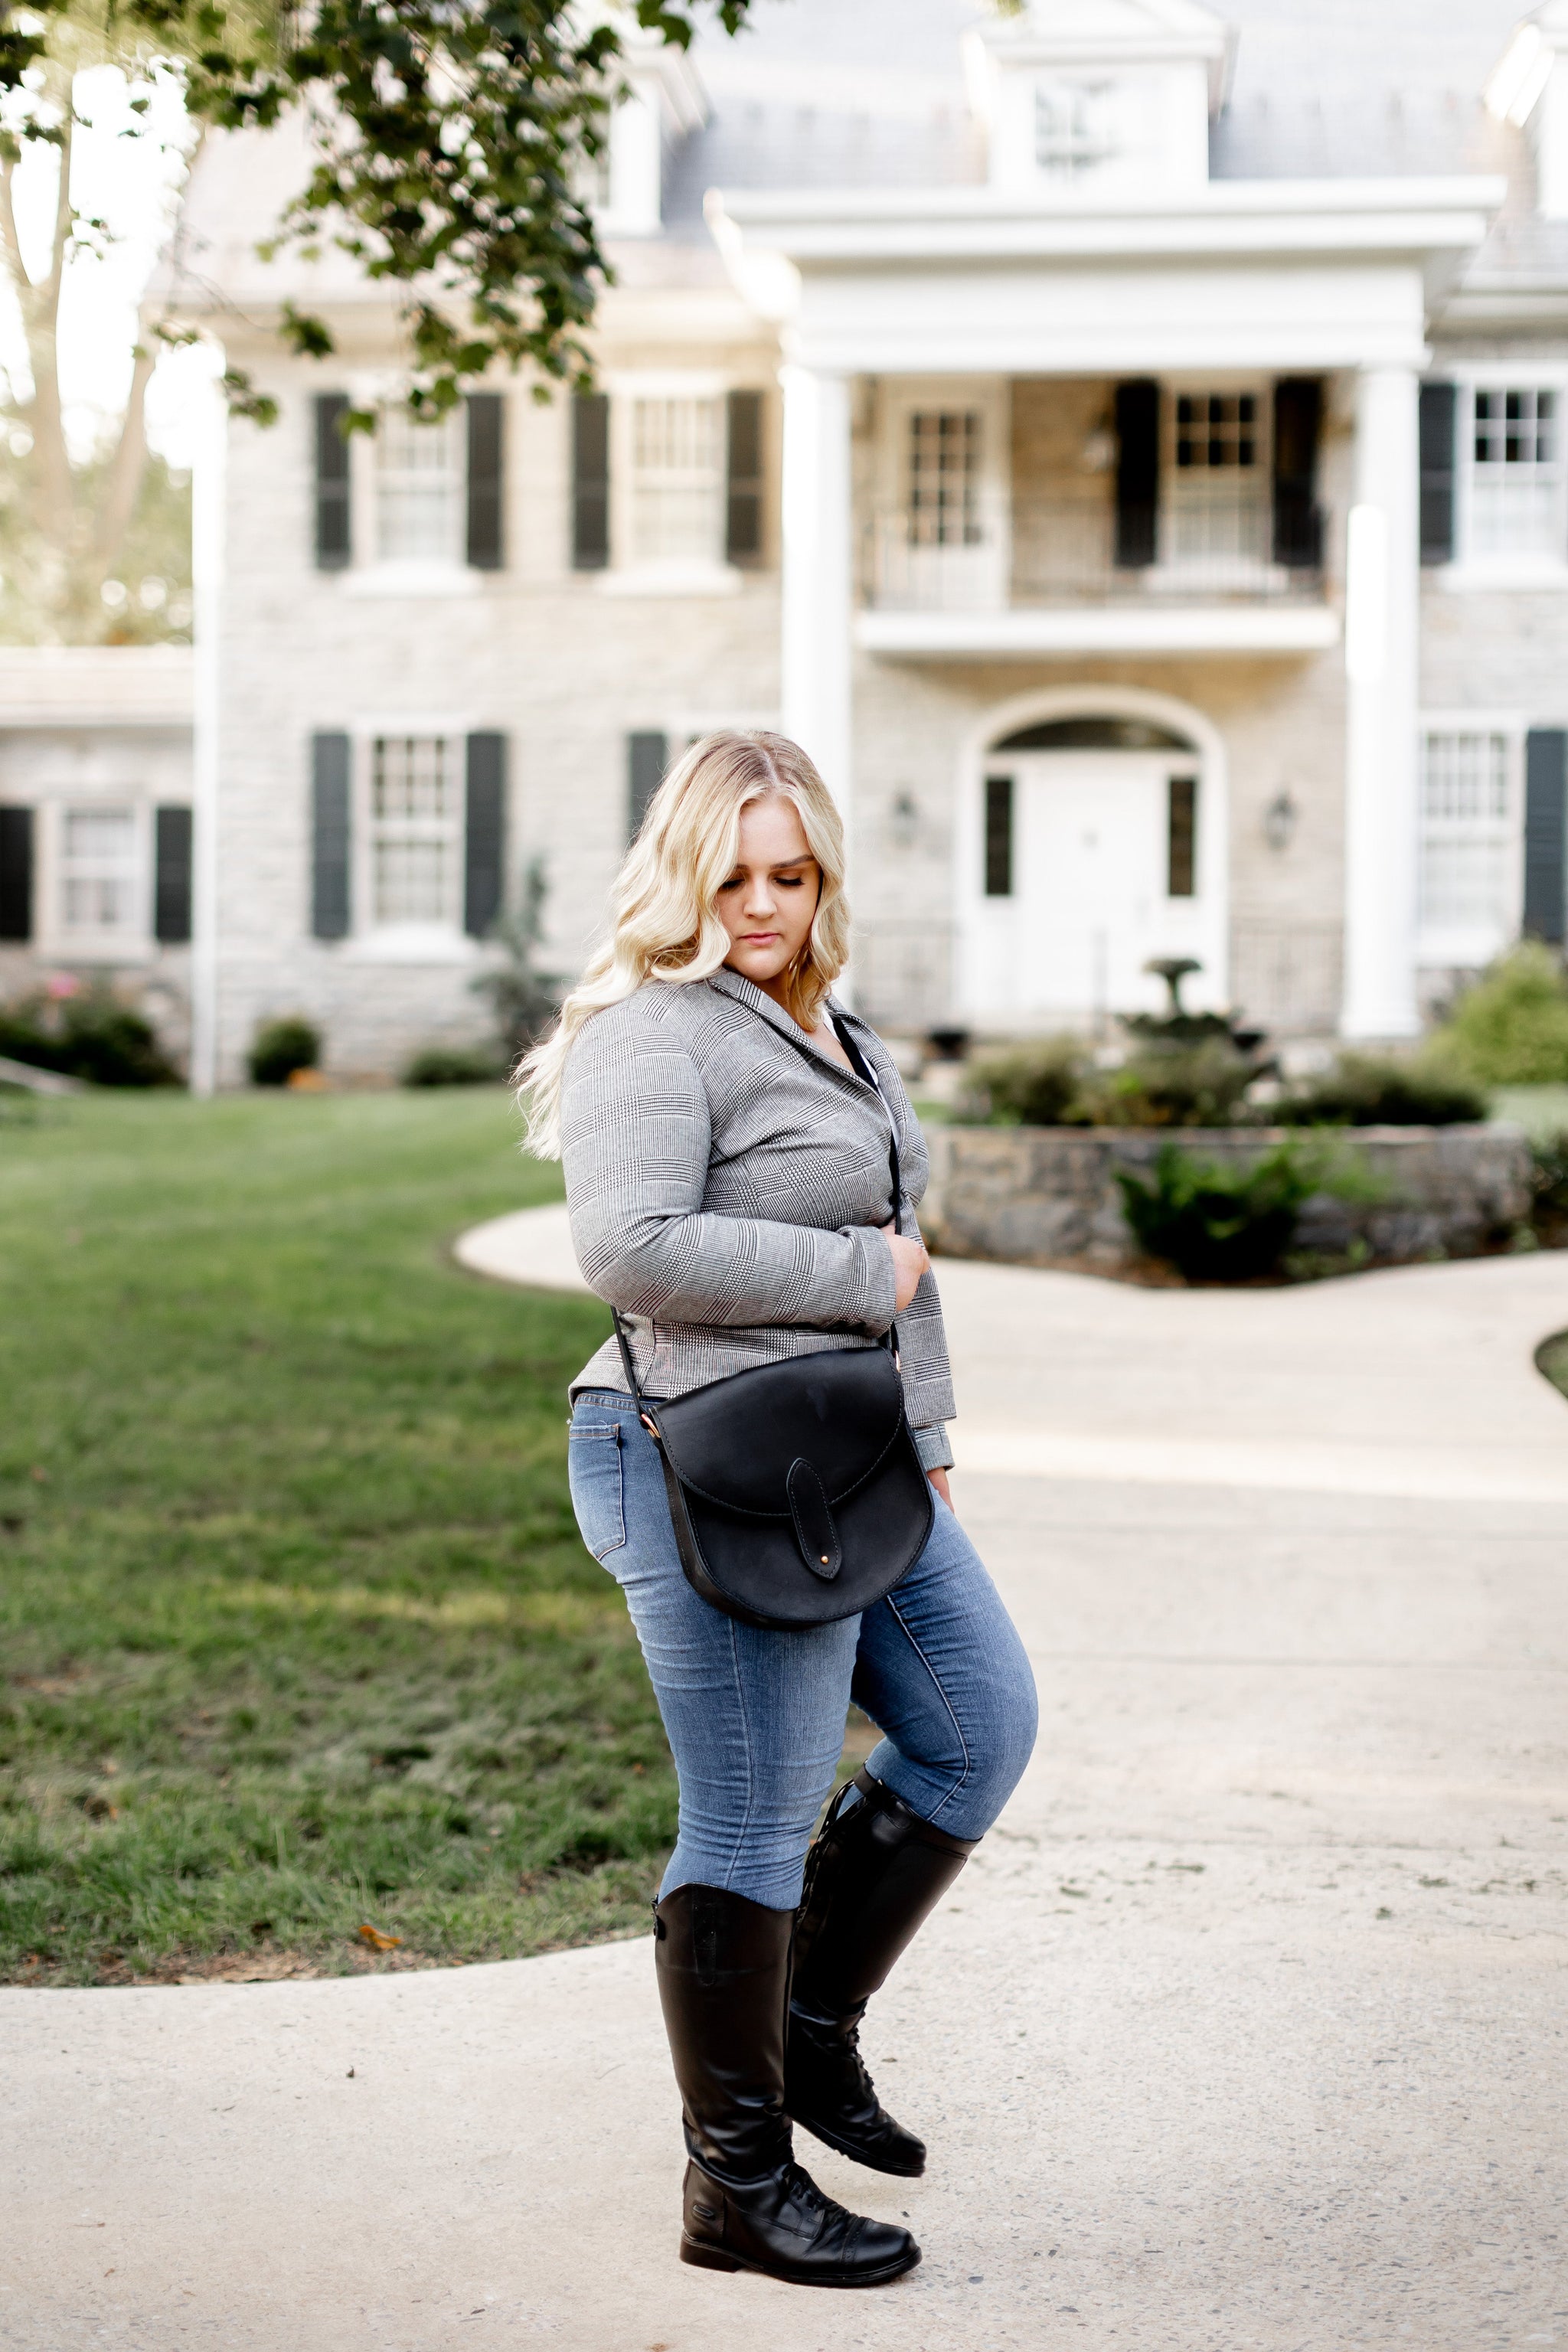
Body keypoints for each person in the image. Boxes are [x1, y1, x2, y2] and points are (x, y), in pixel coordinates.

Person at [518, 730, 1037, 2291]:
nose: (761, 902)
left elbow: (904, 1237)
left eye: (790, 874)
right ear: (684, 875)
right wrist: (849, 1280)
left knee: (978, 1724)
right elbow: (628, 1246)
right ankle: (734, 2183)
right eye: (733, 874)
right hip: (698, 1461)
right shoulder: (649, 1033)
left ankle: (806, 2025)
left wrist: (927, 1428)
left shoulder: (837, 1028)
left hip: (851, 1456)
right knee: (752, 1811)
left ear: (824, 878)